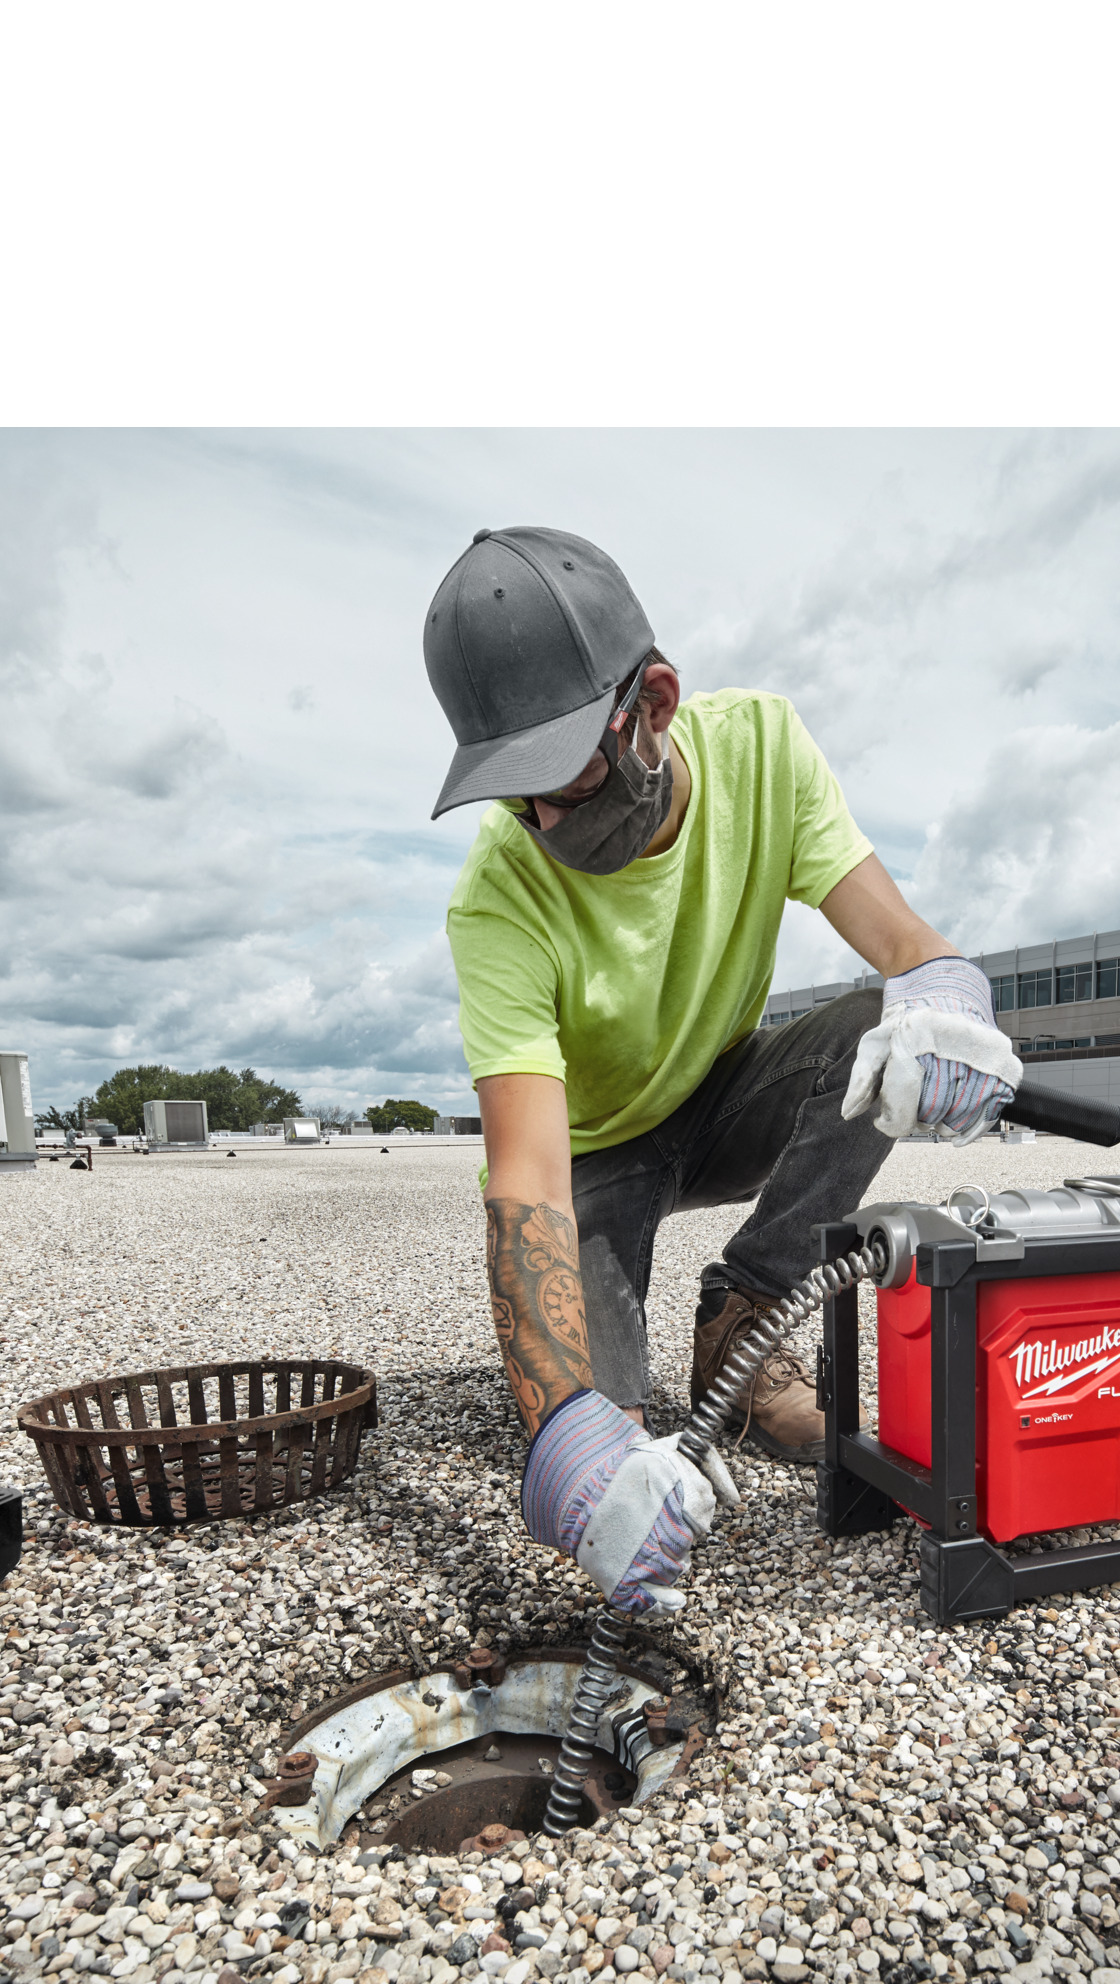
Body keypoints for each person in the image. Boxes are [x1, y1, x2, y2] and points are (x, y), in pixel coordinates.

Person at [428, 525, 1020, 1620]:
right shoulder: (499, 895)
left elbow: (904, 946)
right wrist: (565, 1438)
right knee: (608, 1434)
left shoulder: (762, 752)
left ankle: (743, 1319)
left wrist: (947, 1001)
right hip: (595, 1156)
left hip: (723, 1095)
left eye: (561, 780)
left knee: (872, 1027)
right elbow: (526, 1175)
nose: (545, 824)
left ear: (652, 702)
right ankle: (605, 1408)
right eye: (516, 798)